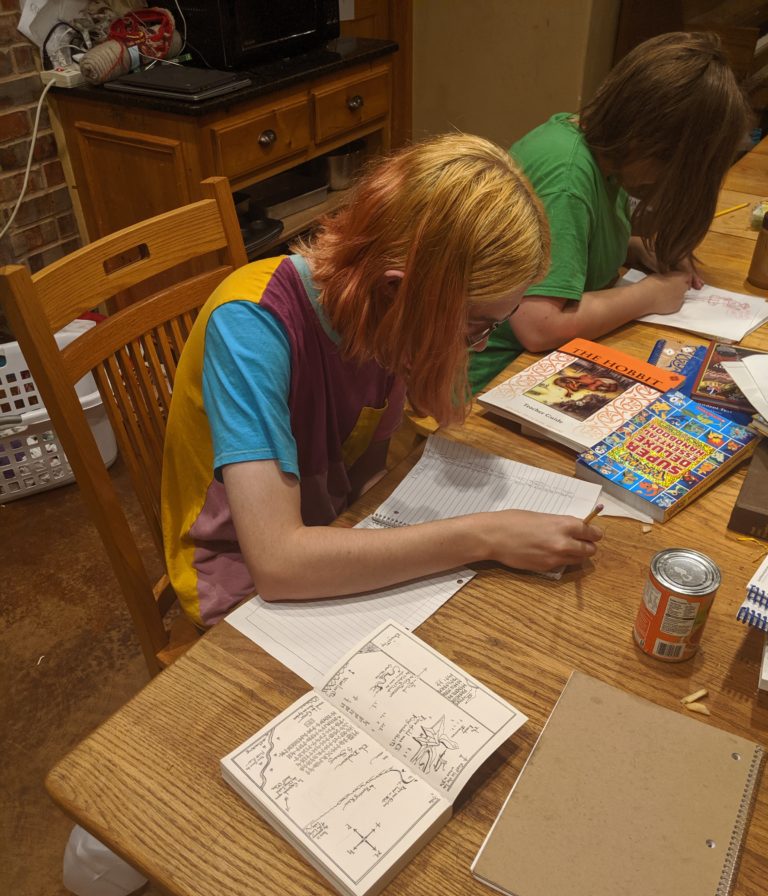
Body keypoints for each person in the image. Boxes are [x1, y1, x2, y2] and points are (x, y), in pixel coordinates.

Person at [161, 134, 603, 627]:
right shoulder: (252, 325)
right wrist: (484, 535)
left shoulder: (384, 318)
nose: (478, 346)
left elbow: (371, 479)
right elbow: (278, 563)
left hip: (333, 529)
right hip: (240, 583)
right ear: (398, 290)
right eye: (478, 326)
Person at [468, 31, 753, 394]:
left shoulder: (599, 150)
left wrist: (634, 247)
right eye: (672, 169)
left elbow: (568, 247)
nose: (664, 183)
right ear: (650, 140)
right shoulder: (569, 178)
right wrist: (649, 296)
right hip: (491, 377)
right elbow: (537, 325)